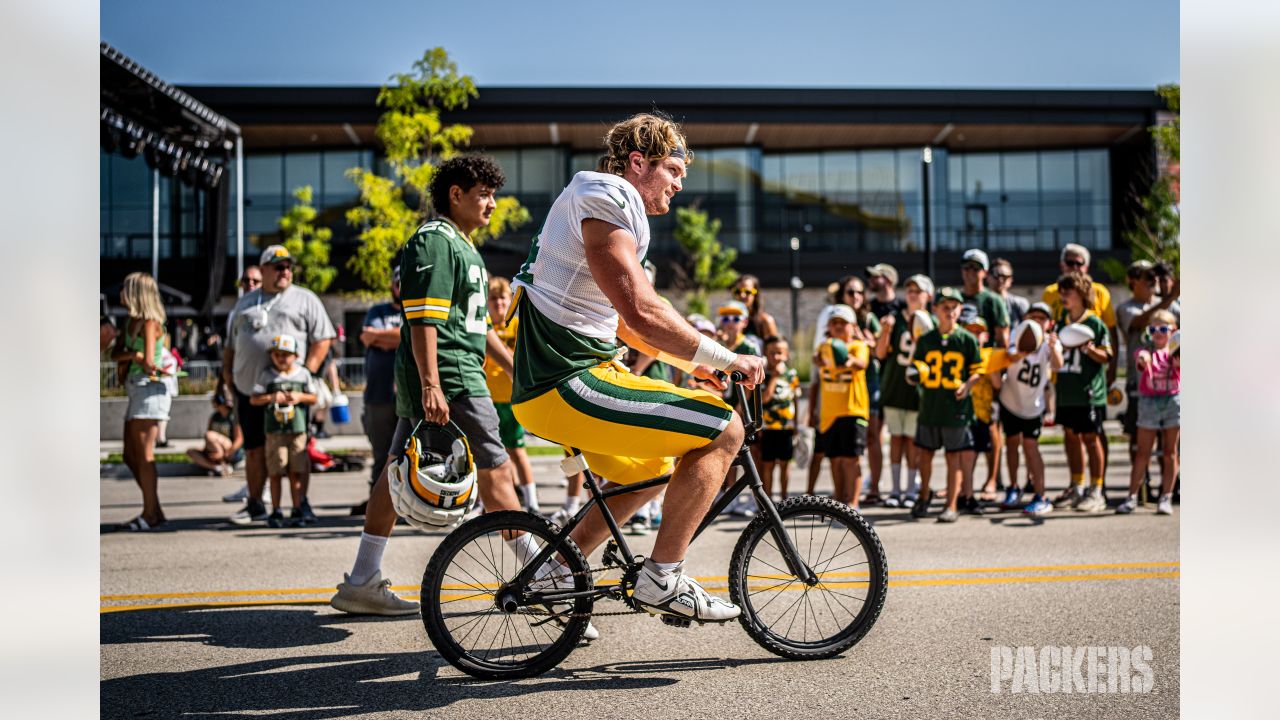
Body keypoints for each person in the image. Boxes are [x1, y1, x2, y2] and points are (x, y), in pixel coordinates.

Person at [508, 112, 765, 623]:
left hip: (567, 378)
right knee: (724, 429)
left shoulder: (609, 209)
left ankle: (559, 571)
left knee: (651, 470)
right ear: (638, 163)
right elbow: (641, 312)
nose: (678, 185)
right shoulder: (608, 195)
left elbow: (627, 326)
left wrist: (698, 365)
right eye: (672, 170)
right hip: (568, 379)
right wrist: (726, 357)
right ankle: (663, 577)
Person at [329, 155, 527, 618]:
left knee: (396, 469)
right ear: (455, 195)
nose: (492, 204)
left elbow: (480, 328)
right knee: (497, 469)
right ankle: (547, 579)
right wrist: (432, 385)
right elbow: (423, 320)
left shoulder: (464, 245)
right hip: (451, 374)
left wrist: (517, 368)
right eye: (483, 194)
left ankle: (361, 580)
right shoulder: (434, 240)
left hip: (455, 368)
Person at [223, 246, 335, 525]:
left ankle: (300, 505)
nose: (285, 270)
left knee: (297, 449)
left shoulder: (305, 299)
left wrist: (303, 375)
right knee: (254, 450)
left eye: (287, 266)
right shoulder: (246, 302)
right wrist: (227, 375)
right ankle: (256, 504)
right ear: (263, 270)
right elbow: (230, 344)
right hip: (252, 392)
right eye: (277, 266)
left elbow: (323, 339)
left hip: (291, 395)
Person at [908, 287, 984, 523]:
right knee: (925, 455)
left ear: (960, 310)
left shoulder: (967, 339)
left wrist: (967, 385)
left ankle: (951, 504)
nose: (950, 312)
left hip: (955, 408)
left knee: (954, 457)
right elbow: (915, 367)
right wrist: (914, 375)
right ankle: (923, 496)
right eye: (945, 307)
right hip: (931, 405)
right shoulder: (926, 339)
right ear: (936, 310)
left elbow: (978, 370)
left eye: (954, 307)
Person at [110, 272, 171, 531]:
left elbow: (148, 362)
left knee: (144, 455)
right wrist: (132, 354)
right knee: (129, 454)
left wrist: (133, 356)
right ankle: (154, 508)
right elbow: (115, 354)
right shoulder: (130, 322)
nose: (121, 292)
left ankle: (150, 513)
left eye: (126, 288)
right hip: (135, 388)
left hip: (149, 389)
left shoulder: (150, 322)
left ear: (136, 292)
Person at [990, 302, 1063, 516]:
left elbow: (1058, 365)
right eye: (1033, 316)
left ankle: (1041, 494)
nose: (1036, 321)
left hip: (1033, 404)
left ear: (1049, 323)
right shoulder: (1018, 335)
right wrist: (1023, 350)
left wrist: (1050, 347)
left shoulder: (1051, 342)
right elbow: (1011, 355)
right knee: (1011, 444)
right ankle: (1013, 487)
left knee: (1031, 447)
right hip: (1010, 400)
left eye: (1042, 318)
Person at [1049, 271, 1113, 513]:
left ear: (1082, 294)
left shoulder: (1094, 323)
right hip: (1066, 390)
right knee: (1070, 438)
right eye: (1061, 291)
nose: (1064, 295)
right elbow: (1055, 363)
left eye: (1069, 291)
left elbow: (1107, 356)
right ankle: (1077, 485)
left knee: (1090, 438)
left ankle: (1097, 489)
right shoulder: (1060, 322)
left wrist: (1089, 350)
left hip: (1089, 392)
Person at [875, 273, 933, 509]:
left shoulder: (931, 322)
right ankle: (896, 489)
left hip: (917, 393)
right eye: (909, 290)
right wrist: (885, 332)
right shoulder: (896, 319)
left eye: (917, 291)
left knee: (913, 442)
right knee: (896, 440)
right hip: (894, 387)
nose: (912, 295)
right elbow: (880, 354)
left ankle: (911, 488)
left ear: (927, 295)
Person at [486, 276, 542, 515]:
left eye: (503, 298)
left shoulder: (517, 325)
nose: (499, 303)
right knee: (488, 455)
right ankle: (485, 504)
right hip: (487, 400)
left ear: (511, 300)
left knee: (517, 451)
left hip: (511, 399)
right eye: (494, 298)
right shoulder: (484, 325)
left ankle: (532, 502)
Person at [350, 264, 404, 515]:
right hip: (378, 395)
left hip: (406, 397)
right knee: (381, 453)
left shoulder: (415, 311)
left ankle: (405, 505)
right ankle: (378, 505)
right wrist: (397, 336)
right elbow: (367, 337)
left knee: (408, 454)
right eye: (398, 282)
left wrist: (384, 337)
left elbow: (409, 334)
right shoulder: (377, 310)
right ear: (392, 286)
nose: (401, 287)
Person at [249, 335, 318, 528]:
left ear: (295, 356)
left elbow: (313, 398)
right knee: (275, 471)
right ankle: (277, 510)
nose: (281, 359)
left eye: (286, 355)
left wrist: (299, 397)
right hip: (274, 431)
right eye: (277, 354)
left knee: (296, 471)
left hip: (297, 430)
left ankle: (297, 508)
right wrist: (272, 397)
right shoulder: (267, 375)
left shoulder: (303, 374)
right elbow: (254, 399)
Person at [1116, 310, 1180, 515]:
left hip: (1172, 399)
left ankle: (1166, 497)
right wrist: (1145, 359)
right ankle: (1132, 496)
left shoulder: (1178, 352)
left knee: (1170, 452)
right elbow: (1141, 358)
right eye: (1153, 329)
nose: (1158, 333)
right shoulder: (1145, 351)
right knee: (1143, 452)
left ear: (1173, 331)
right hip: (1149, 401)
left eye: (1163, 328)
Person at [959, 249, 1011, 501]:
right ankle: (961, 483)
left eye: (975, 267)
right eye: (966, 267)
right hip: (961, 369)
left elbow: (1003, 338)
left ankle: (992, 479)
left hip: (989, 366)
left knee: (991, 425)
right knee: (962, 427)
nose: (970, 272)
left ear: (984, 272)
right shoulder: (956, 298)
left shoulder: (992, 300)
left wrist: (998, 370)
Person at [814, 305, 871, 507]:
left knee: (851, 459)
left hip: (852, 410)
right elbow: (817, 360)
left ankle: (853, 503)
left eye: (843, 323)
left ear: (853, 326)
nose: (838, 326)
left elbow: (862, 363)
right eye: (834, 322)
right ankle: (840, 502)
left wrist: (847, 359)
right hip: (830, 412)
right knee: (835, 459)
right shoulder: (824, 346)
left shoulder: (858, 346)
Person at [760, 336, 800, 502]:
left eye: (779, 353)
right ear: (765, 353)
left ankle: (784, 498)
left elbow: (795, 399)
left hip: (786, 427)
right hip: (768, 428)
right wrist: (774, 378)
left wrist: (797, 423)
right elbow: (764, 399)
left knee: (785, 463)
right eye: (771, 353)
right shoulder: (763, 375)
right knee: (768, 464)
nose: (775, 357)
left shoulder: (791, 375)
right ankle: (768, 500)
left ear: (786, 354)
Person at [185, 393, 243, 477]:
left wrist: (227, 452)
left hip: (230, 449)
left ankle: (222, 460)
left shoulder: (233, 417)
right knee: (191, 452)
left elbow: (239, 439)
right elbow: (208, 439)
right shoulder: (214, 417)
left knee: (210, 434)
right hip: (214, 448)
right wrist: (207, 450)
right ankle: (217, 468)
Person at [731, 274, 778, 347]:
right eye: (738, 292)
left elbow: (774, 351)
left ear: (756, 294)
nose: (742, 295)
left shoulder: (766, 321)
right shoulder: (728, 320)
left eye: (747, 292)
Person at [988, 257, 1030, 325]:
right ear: (987, 277)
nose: (1000, 280)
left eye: (1005, 277)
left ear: (1011, 280)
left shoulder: (1020, 304)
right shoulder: (980, 303)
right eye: (996, 275)